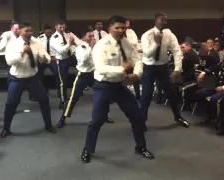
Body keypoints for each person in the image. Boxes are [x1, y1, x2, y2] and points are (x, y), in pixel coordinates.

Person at [81, 15, 154, 164]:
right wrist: (122, 69)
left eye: (123, 28)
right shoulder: (102, 45)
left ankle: (140, 147)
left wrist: (136, 74)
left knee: (137, 117)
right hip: (104, 86)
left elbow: (137, 60)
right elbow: (101, 68)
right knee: (97, 120)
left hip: (120, 86)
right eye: (117, 28)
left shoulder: (126, 43)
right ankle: (88, 149)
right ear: (110, 29)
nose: (121, 30)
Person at [1, 23, 56, 138]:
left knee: (44, 100)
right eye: (26, 31)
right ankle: (6, 128)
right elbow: (9, 62)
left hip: (33, 77)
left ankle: (48, 125)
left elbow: (47, 57)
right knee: (11, 103)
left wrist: (45, 59)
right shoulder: (13, 44)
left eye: (30, 31)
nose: (29, 33)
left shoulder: (36, 43)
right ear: (20, 32)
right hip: (17, 78)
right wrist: (23, 53)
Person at [140, 12, 189, 129]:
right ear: (156, 20)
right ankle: (141, 121)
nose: (164, 22)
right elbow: (147, 53)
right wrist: (156, 43)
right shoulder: (147, 35)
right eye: (162, 20)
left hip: (163, 67)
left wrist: (177, 69)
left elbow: (177, 51)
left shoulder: (169, 35)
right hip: (149, 67)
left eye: (166, 20)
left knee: (171, 93)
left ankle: (178, 117)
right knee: (146, 94)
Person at [49, 20, 77, 109]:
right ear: (56, 27)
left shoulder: (66, 34)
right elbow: (61, 51)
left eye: (63, 27)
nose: (62, 28)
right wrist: (69, 43)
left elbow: (74, 44)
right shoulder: (54, 38)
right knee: (63, 82)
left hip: (70, 57)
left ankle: (81, 87)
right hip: (61, 60)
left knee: (84, 67)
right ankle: (62, 101)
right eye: (60, 27)